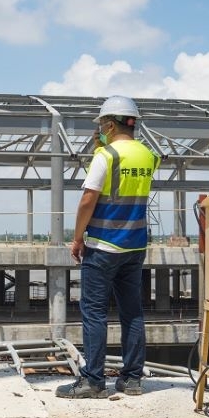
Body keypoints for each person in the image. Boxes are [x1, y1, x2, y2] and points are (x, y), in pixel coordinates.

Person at [56, 95, 160, 399]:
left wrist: (77, 238)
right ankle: (132, 379)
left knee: (94, 313)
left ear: (111, 124)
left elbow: (89, 198)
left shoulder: (106, 156)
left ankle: (93, 380)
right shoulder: (149, 156)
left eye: (102, 124)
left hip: (102, 246)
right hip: (134, 246)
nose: (100, 128)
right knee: (132, 313)